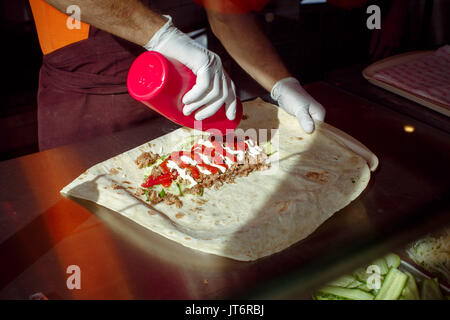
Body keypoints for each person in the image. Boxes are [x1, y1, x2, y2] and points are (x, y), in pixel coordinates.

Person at [29, 0, 325, 150]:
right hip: (97, 99)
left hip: (193, 92)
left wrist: (281, 83)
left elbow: (224, 10)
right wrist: (161, 37)